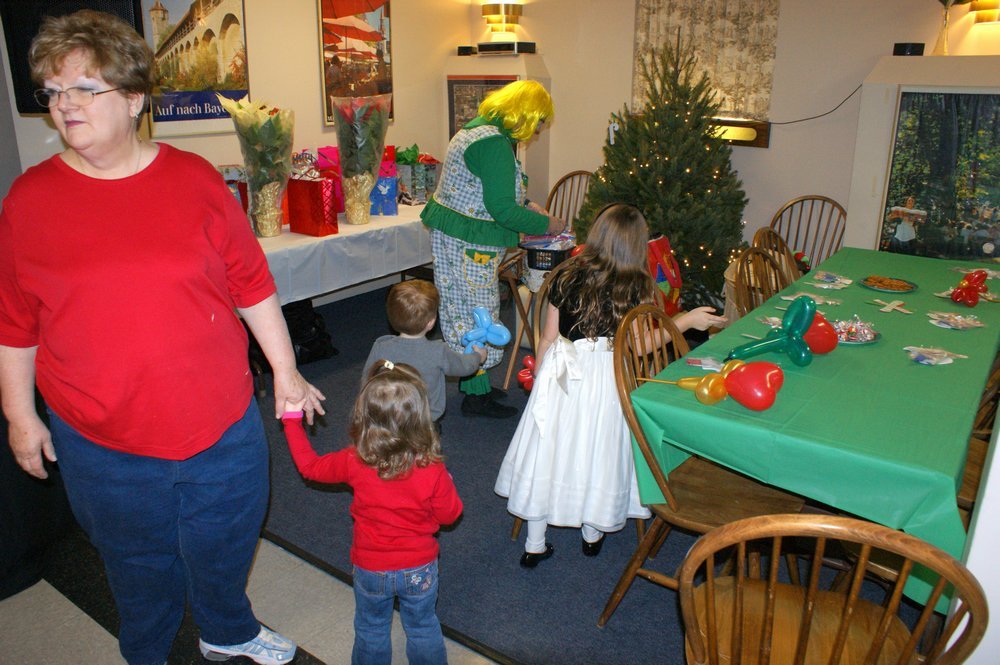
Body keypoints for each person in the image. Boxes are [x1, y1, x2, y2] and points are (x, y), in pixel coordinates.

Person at [0, 10, 325, 665]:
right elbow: (15, 322)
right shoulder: (30, 201)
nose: (65, 105)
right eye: (53, 92)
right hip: (102, 437)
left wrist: (285, 370)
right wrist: (19, 414)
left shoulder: (195, 180)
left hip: (222, 421)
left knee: (227, 539)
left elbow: (251, 283)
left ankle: (226, 627)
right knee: (135, 560)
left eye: (83, 88)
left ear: (133, 98)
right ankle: (145, 650)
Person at [494, 204, 725, 567]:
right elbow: (641, 347)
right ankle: (592, 532)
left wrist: (540, 376)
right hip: (605, 377)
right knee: (597, 449)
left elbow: (549, 337)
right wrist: (683, 321)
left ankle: (534, 544)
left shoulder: (566, 273)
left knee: (548, 451)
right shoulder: (637, 286)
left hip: (561, 373)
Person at [283, 361, 463, 665]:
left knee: (371, 629)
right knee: (422, 627)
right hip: (418, 567)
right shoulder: (432, 468)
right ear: (421, 418)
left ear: (363, 416)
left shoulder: (353, 460)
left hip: (370, 567)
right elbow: (450, 515)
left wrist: (291, 420)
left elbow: (309, 467)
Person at [421, 79, 565, 419]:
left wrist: (527, 205)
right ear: (524, 114)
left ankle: (476, 386)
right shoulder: (494, 145)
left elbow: (490, 191)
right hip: (468, 243)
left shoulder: (479, 130)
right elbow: (501, 209)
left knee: (465, 309)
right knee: (477, 313)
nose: (538, 130)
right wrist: (548, 224)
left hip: (459, 238)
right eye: (538, 121)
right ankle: (476, 396)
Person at [363, 280, 487, 425]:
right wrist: (478, 356)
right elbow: (463, 366)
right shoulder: (438, 351)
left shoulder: (381, 346)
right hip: (424, 419)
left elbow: (367, 379)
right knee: (425, 438)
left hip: (388, 416)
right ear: (431, 323)